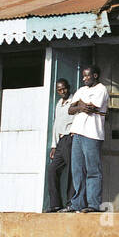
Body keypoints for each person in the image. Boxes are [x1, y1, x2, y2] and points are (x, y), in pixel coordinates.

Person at [65, 65, 109, 214]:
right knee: (77, 170)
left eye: (87, 76)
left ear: (95, 76)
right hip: (77, 133)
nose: (84, 79)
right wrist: (79, 106)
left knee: (93, 170)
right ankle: (77, 203)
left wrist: (80, 104)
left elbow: (91, 108)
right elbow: (70, 109)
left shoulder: (101, 89)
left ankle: (93, 204)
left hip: (92, 135)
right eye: (83, 76)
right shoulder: (82, 90)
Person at [44, 79, 75, 212]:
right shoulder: (59, 103)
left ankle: (71, 203)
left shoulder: (74, 101)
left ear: (68, 87)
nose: (62, 92)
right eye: (59, 90)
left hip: (70, 138)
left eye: (64, 89)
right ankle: (55, 204)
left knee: (71, 171)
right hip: (60, 141)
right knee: (52, 170)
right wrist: (54, 145)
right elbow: (56, 125)